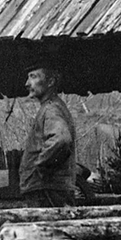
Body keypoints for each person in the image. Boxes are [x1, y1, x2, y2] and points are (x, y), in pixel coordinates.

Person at [19, 63, 77, 207]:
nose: (27, 83)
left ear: (50, 82)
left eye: (33, 77)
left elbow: (61, 140)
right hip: (48, 189)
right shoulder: (51, 107)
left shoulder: (51, 109)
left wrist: (39, 166)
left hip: (46, 191)